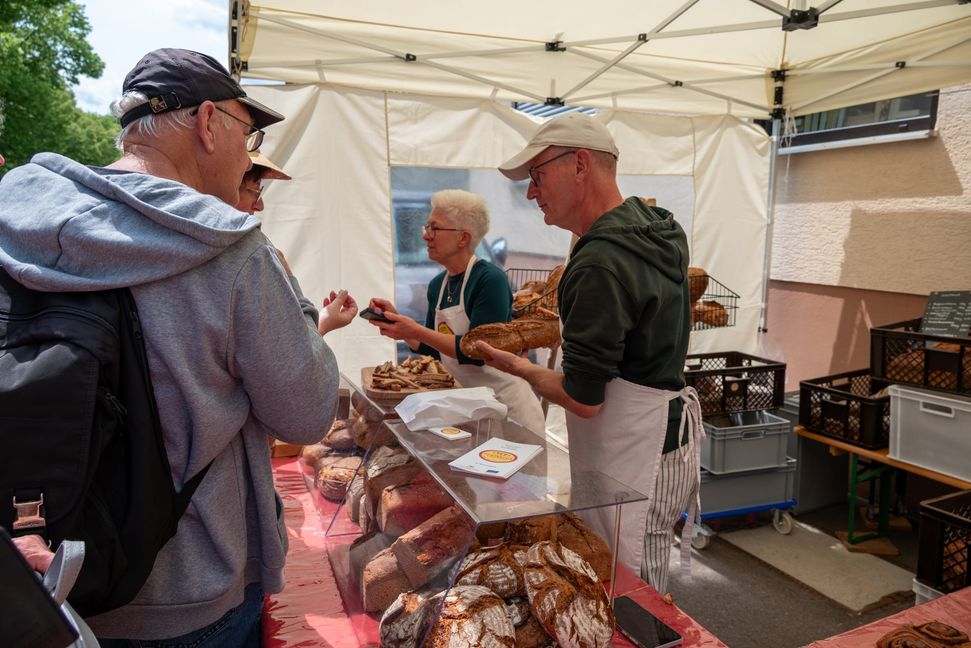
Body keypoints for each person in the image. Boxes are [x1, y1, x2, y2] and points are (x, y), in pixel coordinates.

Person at [0, 48, 353, 645]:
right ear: (209, 122)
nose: (249, 152)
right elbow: (308, 411)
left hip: (48, 571)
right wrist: (295, 299)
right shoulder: (233, 252)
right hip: (192, 595)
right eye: (249, 131)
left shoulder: (16, 225)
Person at [476, 113, 704, 594]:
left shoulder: (600, 260)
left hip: (637, 450)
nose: (532, 193)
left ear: (580, 164)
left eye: (537, 177)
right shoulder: (657, 227)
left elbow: (583, 399)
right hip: (662, 440)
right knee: (630, 574)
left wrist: (516, 365)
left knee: (630, 588)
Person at [367, 189, 547, 435]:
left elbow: (477, 350)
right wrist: (400, 327)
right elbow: (436, 350)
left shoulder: (489, 279)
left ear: (463, 238)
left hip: (507, 408)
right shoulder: (437, 286)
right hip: (468, 406)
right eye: (426, 227)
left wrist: (415, 329)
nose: (426, 236)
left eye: (434, 229)